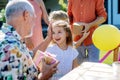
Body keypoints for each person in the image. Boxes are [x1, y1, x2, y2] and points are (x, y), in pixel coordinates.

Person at [0, 0, 59, 80]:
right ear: (26, 15)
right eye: (34, 18)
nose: (34, 23)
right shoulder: (10, 49)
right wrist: (43, 76)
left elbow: (29, 55)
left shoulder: (12, 39)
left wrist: (48, 39)